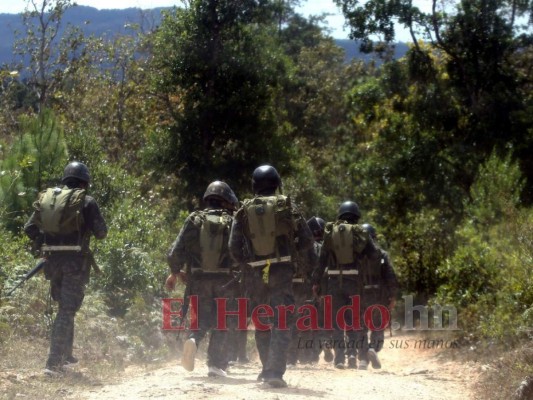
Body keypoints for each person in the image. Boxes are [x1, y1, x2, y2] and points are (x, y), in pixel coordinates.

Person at [229, 165, 316, 388]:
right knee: (282, 319)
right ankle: (274, 371)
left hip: (256, 272)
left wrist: (247, 264)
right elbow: (307, 240)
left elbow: (233, 247)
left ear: (254, 184)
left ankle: (266, 367)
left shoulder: (244, 210)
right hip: (281, 270)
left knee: (261, 320)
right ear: (277, 183)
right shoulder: (286, 206)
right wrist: (291, 251)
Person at [24, 161, 108, 376]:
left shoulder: (49, 200)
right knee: (67, 310)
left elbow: (29, 228)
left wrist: (46, 240)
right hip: (75, 263)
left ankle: (66, 357)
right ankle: (53, 364)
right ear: (84, 183)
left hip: (52, 262)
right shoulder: (87, 202)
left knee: (64, 306)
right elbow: (101, 232)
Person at [165, 181, 239, 378]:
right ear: (225, 201)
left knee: (203, 317)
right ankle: (215, 365)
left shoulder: (194, 219)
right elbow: (242, 253)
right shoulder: (232, 221)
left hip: (198, 278)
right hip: (226, 280)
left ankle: (193, 339)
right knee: (222, 320)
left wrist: (175, 271)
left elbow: (175, 251)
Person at [311, 201, 376, 370]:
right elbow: (374, 255)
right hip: (354, 282)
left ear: (340, 215)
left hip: (333, 283)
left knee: (337, 322)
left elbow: (322, 260)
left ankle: (339, 358)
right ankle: (353, 356)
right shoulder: (360, 233)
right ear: (356, 216)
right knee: (354, 320)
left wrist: (316, 281)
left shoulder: (331, 232)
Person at [358, 223, 398, 370]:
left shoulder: (355, 256)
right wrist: (392, 296)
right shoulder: (382, 254)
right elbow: (390, 276)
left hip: (360, 295)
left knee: (360, 328)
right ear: (374, 237)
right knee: (377, 326)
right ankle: (373, 349)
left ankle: (363, 358)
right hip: (379, 296)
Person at [287, 216, 323, 366]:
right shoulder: (310, 245)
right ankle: (307, 357)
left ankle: (290, 358)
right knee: (306, 322)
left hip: (286, 286)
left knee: (288, 322)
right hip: (304, 288)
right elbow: (316, 265)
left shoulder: (285, 243)